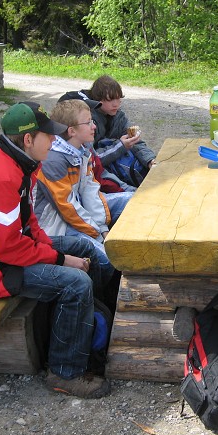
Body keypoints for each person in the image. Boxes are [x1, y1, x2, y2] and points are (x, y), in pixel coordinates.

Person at [0, 101, 110, 399]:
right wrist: (60, 259)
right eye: (48, 135)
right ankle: (65, 372)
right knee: (76, 283)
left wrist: (52, 248)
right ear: (28, 139)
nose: (54, 140)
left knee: (81, 246)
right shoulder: (1, 175)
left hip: (0, 252)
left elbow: (28, 221)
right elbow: (7, 248)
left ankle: (92, 329)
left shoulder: (21, 162)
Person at [34, 99, 130, 307]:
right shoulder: (53, 160)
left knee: (131, 201)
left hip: (77, 214)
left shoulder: (82, 150)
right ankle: (100, 301)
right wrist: (98, 235)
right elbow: (68, 208)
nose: (94, 126)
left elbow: (90, 191)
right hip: (56, 225)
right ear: (72, 131)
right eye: (88, 122)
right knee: (105, 259)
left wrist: (103, 228)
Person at [59, 75, 157, 186]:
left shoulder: (118, 116)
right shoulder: (87, 121)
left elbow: (136, 142)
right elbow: (92, 158)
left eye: (118, 98)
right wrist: (121, 146)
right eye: (110, 99)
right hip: (91, 174)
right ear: (97, 98)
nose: (116, 104)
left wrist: (150, 160)